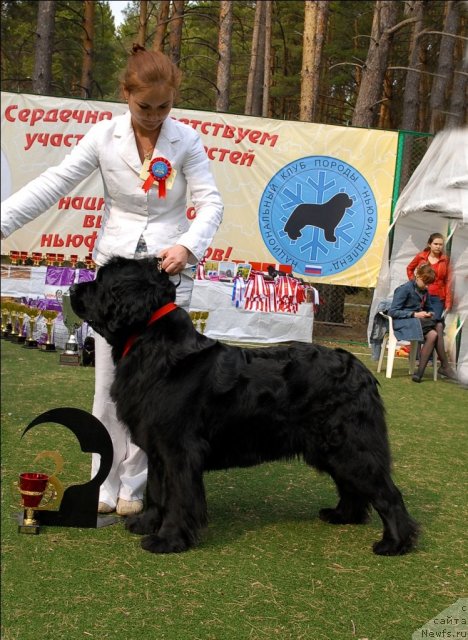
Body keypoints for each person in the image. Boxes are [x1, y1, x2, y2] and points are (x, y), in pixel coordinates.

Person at [1, 44, 224, 515]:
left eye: (164, 107)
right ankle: (102, 484)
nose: (154, 115)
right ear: (126, 93)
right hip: (115, 286)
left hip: (167, 278)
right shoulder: (102, 137)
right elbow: (53, 184)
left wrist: (189, 245)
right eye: (145, 106)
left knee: (160, 389)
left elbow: (211, 203)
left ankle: (135, 488)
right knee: (108, 388)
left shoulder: (186, 141)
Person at [388, 264, 456, 383]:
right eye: (425, 282)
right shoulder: (404, 289)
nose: (426, 286)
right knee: (439, 325)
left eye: (429, 284)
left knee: (434, 334)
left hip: (419, 322)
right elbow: (393, 312)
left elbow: (430, 308)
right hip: (404, 323)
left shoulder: (424, 290)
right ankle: (445, 366)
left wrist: (429, 313)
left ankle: (419, 374)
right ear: (417, 276)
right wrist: (414, 314)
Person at [406, 233, 453, 321]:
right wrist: (415, 283)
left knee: (433, 321)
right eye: (435, 244)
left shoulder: (445, 259)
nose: (438, 246)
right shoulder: (421, 256)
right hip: (420, 294)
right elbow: (409, 268)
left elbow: (448, 281)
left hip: (437, 297)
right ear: (429, 244)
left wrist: (448, 301)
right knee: (419, 321)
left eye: (440, 244)